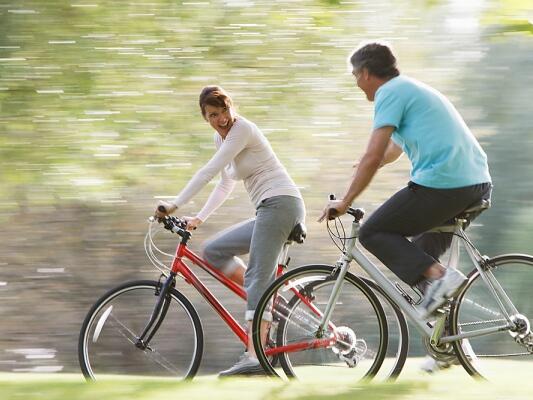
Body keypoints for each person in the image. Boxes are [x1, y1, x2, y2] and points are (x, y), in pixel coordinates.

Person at [319, 42, 492, 318]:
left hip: (445, 183)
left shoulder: (390, 92)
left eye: (354, 76)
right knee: (419, 262)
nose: (356, 84)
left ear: (365, 72)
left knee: (373, 232)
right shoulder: (408, 89)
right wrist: (365, 164)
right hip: (473, 184)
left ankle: (441, 276)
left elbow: (374, 155)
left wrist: (346, 201)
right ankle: (447, 341)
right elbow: (391, 151)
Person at [155, 86, 305, 377]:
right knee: (213, 251)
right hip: (268, 209)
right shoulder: (219, 137)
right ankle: (264, 300)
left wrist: (175, 203)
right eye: (213, 114)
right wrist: (198, 216)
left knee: (257, 276)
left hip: (281, 204)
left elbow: (208, 171)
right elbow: (224, 183)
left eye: (224, 111)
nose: (221, 119)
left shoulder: (242, 129)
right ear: (204, 117)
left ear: (231, 108)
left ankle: (255, 356)